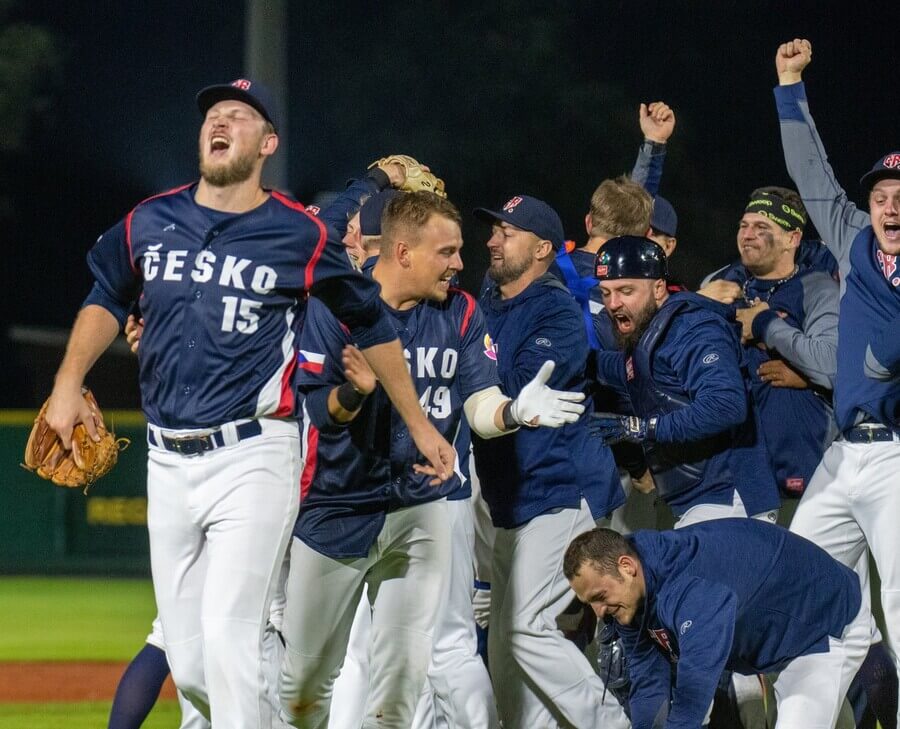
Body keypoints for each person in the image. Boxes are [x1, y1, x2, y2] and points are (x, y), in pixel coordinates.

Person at [43, 78, 455, 729]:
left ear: (266, 143)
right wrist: (67, 385)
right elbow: (106, 292)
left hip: (253, 455)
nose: (221, 120)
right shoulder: (151, 219)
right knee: (193, 662)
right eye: (214, 112)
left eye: (239, 114)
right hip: (167, 461)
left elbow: (371, 320)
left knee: (235, 643)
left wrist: (417, 421)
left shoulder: (298, 232)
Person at [280, 191, 584, 728]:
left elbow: (479, 405)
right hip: (340, 505)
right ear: (402, 252)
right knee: (304, 682)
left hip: (423, 508)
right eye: (445, 252)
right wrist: (354, 395)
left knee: (403, 682)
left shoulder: (461, 311)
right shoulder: (334, 305)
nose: (460, 264)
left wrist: (514, 411)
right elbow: (318, 412)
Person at [773, 37, 900, 725]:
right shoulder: (853, 236)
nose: (891, 206)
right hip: (842, 451)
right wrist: (790, 87)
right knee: (807, 598)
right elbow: (810, 169)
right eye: (882, 194)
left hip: (897, 457)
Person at [471, 194, 626, 728]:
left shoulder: (556, 309)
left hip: (564, 488)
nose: (493, 240)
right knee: (505, 648)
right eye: (493, 230)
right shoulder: (488, 302)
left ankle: (613, 723)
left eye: (507, 232)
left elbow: (510, 391)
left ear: (542, 249)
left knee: (526, 628)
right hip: (514, 495)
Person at [564, 522, 870, 727]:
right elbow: (648, 678)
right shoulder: (633, 588)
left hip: (822, 631)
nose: (599, 611)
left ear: (626, 567)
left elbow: (693, 691)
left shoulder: (688, 588)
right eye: (590, 602)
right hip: (778, 635)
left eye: (600, 596)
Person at [592, 236, 780, 526]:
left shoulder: (694, 327)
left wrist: (644, 428)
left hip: (730, 499)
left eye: (625, 290)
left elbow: (726, 405)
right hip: (697, 500)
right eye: (605, 293)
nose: (613, 303)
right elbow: (626, 368)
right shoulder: (651, 333)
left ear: (658, 288)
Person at [700, 187, 840, 498]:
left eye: (761, 228)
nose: (747, 235)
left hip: (808, 469)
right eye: (743, 225)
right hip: (731, 470)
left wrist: (806, 374)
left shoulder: (818, 289)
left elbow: (831, 365)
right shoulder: (717, 284)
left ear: (793, 239)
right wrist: (694, 304)